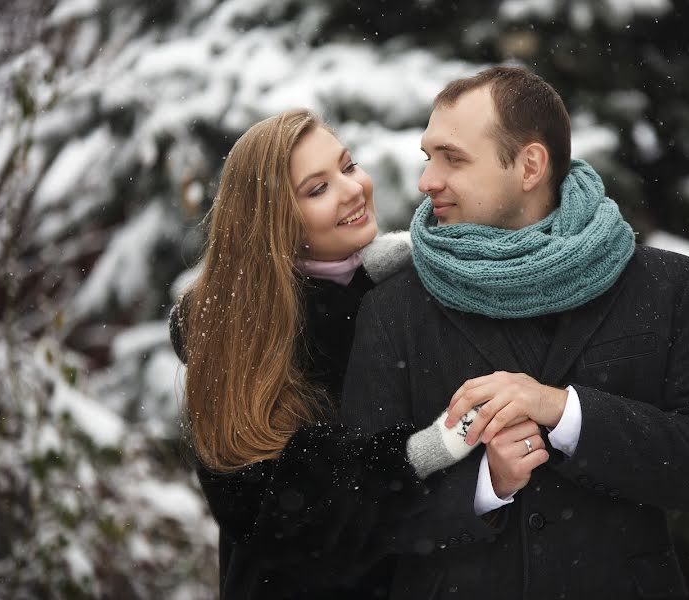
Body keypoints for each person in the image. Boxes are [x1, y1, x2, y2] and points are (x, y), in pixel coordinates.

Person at [341, 66, 689, 599]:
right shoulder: (394, 307)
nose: (427, 181)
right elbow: (358, 506)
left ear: (530, 165)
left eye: (453, 158)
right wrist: (485, 487)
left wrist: (565, 413)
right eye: (428, 157)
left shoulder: (666, 286)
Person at [168, 109, 487, 599]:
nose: (353, 188)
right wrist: (415, 456)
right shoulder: (235, 340)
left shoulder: (394, 291)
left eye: (348, 165)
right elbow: (273, 511)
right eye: (317, 189)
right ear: (275, 224)